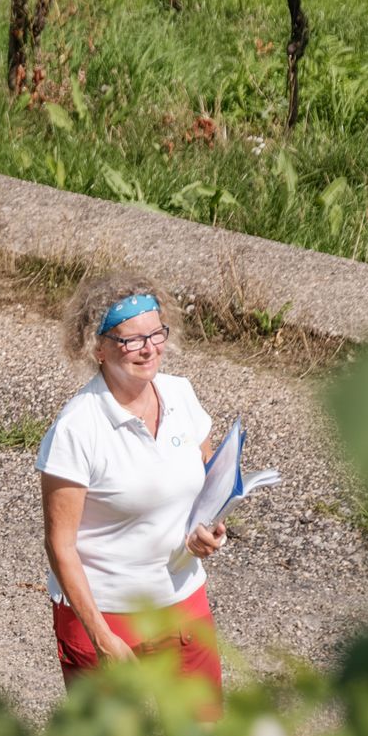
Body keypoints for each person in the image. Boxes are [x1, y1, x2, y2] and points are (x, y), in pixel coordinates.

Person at [36, 277, 229, 703]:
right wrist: (101, 638)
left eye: (157, 333)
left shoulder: (181, 395)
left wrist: (209, 529)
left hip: (182, 602)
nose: (149, 348)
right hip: (105, 615)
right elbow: (60, 545)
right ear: (97, 348)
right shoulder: (76, 429)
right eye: (132, 340)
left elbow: (210, 489)